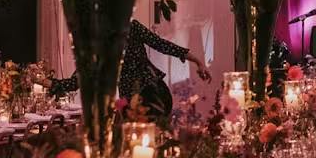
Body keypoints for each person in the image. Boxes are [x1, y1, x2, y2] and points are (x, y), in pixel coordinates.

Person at [51, 21, 211, 120]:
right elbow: (76, 82)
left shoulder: (129, 28)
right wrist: (42, 82)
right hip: (135, 102)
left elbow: (162, 44)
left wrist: (197, 61)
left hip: (152, 94)